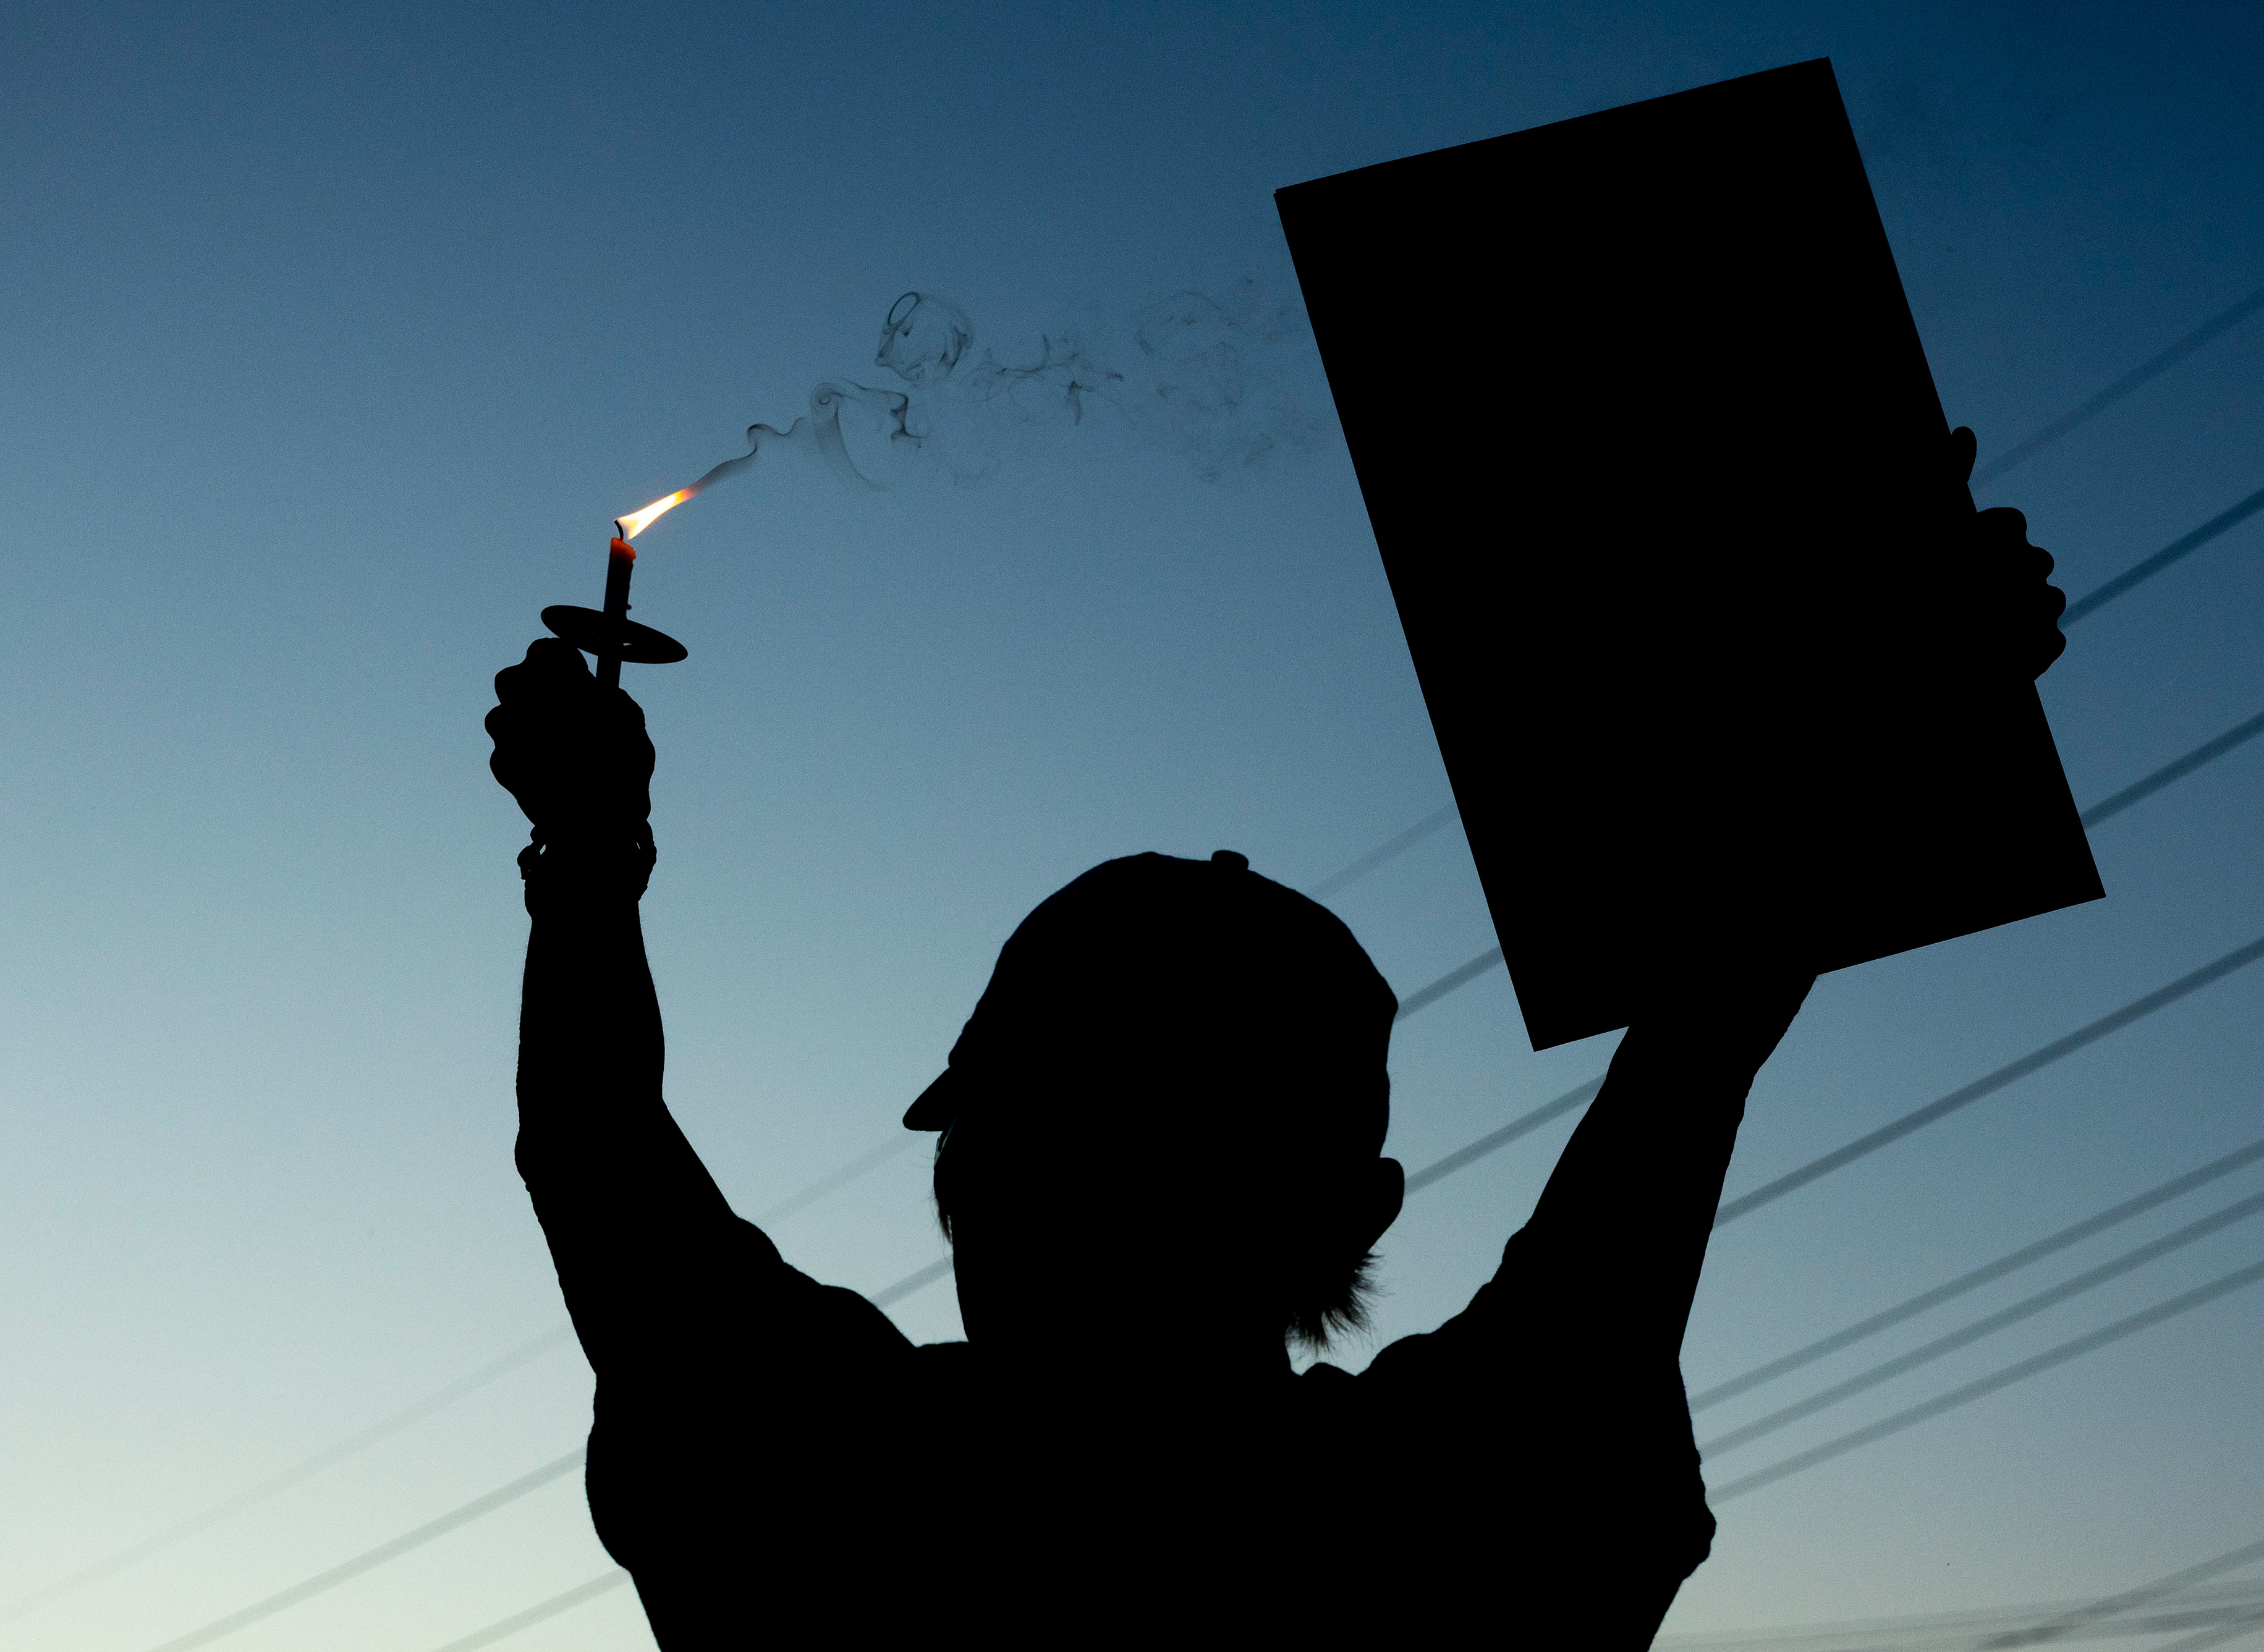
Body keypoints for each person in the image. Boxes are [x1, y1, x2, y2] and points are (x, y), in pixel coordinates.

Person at [485, 429, 2066, 1645]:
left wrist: (591, 846)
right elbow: (1700, 1042)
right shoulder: (1452, 1510)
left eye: (1024, 1135)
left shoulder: (833, 1481)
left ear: (973, 1149)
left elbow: (594, 1148)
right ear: (1351, 1210)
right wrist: (1889, 729)